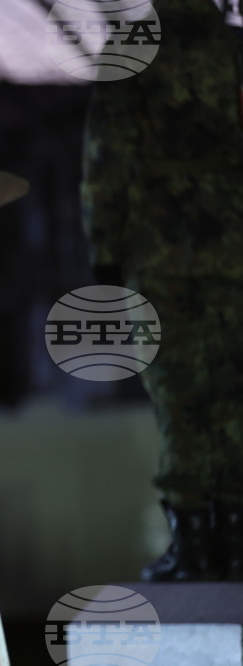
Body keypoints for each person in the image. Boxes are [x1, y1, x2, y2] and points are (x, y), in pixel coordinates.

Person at [80, 0, 243, 581]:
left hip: (161, 253)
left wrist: (104, 251)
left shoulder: (132, 53)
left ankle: (195, 541)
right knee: (231, 396)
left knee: (180, 401)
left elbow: (107, 160)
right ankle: (233, 536)